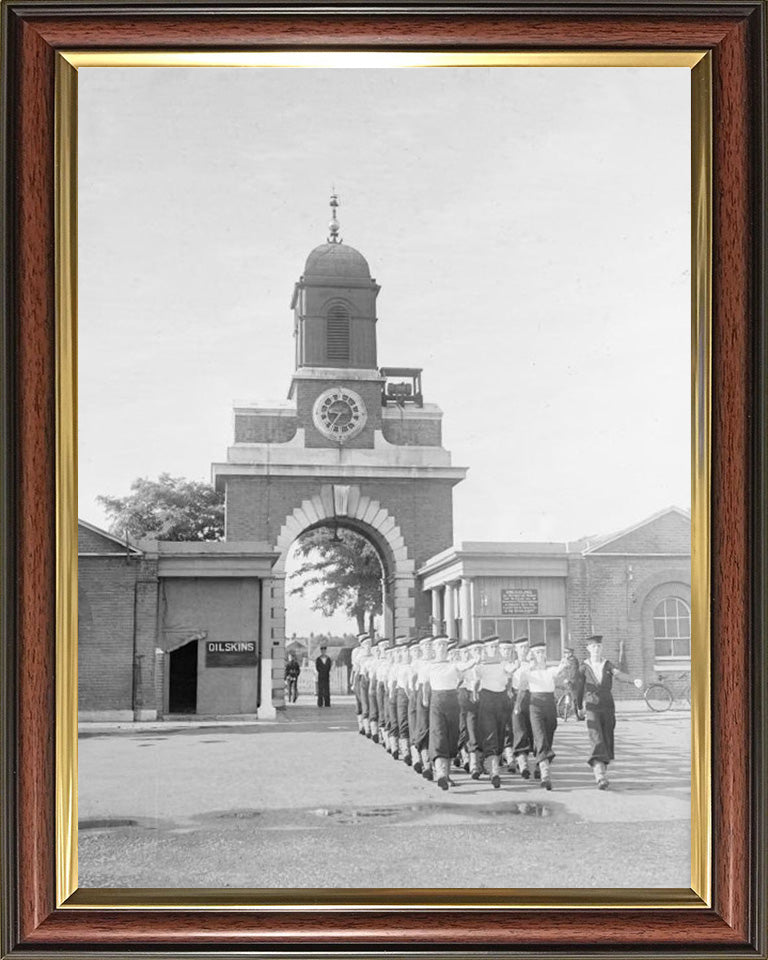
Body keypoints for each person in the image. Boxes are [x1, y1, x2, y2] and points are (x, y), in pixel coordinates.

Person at [574, 634, 644, 789]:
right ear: (588, 649)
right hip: (592, 705)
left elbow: (618, 675)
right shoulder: (584, 667)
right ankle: (599, 775)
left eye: (598, 646)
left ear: (602, 648)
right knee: (596, 737)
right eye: (593, 647)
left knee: (606, 737)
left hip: (607, 705)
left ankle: (601, 770)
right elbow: (579, 688)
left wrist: (633, 680)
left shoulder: (607, 664)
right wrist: (579, 707)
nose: (596, 649)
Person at [516, 641, 569, 790]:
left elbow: (559, 672)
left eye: (542, 652)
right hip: (535, 705)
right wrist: (517, 706)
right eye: (537, 653)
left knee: (549, 734)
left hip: (549, 704)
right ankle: (546, 774)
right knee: (540, 736)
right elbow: (521, 688)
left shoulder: (551, 670)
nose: (540, 655)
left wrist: (564, 665)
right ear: (532, 655)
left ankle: (540, 764)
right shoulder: (527, 671)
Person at [426, 636, 476, 790]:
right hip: (436, 700)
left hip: (452, 700)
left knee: (451, 736)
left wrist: (476, 657)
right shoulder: (429, 666)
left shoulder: (454, 665)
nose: (441, 647)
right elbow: (422, 684)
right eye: (438, 645)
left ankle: (446, 775)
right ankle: (440, 773)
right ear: (434, 648)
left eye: (444, 644)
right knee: (438, 734)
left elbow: (465, 672)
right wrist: (424, 700)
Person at [475, 635, 516, 788]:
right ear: (486, 649)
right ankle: (494, 771)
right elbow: (474, 677)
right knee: (490, 734)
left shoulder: (503, 663)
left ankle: (489, 764)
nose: (494, 649)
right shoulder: (481, 664)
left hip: (501, 700)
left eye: (495, 647)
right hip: (487, 699)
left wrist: (515, 666)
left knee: (500, 735)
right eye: (491, 647)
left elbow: (510, 671)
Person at [510, 636, 535, 777]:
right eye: (521, 647)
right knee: (519, 730)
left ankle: (537, 763)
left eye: (526, 647)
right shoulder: (512, 665)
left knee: (532, 731)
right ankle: (523, 763)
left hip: (531, 697)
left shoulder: (533, 665)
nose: (524, 650)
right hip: (515, 698)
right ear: (516, 649)